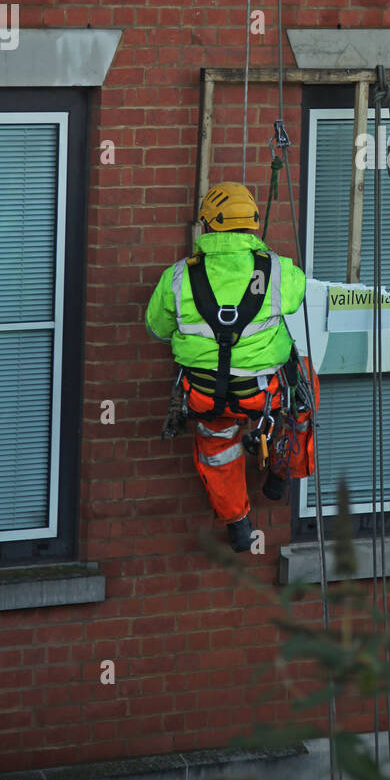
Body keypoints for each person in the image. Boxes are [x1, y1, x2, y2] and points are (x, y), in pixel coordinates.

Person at [145, 181, 308, 551]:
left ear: (206, 226)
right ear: (253, 224)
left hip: (203, 396)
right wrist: (260, 257)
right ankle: (282, 476)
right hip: (262, 393)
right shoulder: (278, 271)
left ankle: (237, 523)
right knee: (302, 391)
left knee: (217, 446)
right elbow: (297, 298)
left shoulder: (178, 277)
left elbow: (156, 328)